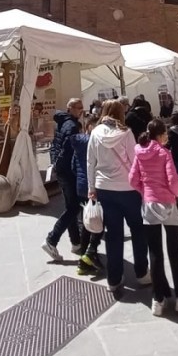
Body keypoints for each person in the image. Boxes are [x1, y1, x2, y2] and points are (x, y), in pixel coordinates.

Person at [129, 119, 178, 316]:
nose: (167, 136)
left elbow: (133, 179)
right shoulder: (164, 153)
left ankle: (158, 299)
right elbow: (173, 180)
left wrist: (145, 192)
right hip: (167, 203)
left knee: (155, 252)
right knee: (175, 249)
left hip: (149, 205)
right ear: (159, 135)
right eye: (165, 133)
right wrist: (175, 195)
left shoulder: (139, 152)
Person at [87, 99, 150, 295]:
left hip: (104, 188)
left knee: (113, 234)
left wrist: (91, 187)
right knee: (138, 230)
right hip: (128, 188)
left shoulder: (95, 133)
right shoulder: (126, 132)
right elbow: (134, 160)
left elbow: (90, 162)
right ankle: (141, 272)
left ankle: (114, 278)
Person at [43, 99, 85, 261]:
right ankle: (52, 239)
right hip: (68, 171)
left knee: (70, 206)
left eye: (82, 108)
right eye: (78, 108)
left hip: (62, 171)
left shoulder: (62, 123)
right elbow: (67, 151)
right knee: (74, 208)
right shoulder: (72, 126)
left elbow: (55, 146)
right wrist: (59, 165)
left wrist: (54, 163)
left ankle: (76, 242)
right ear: (70, 109)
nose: (81, 111)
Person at [70, 113, 103, 275]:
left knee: (86, 223)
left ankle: (83, 261)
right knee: (98, 223)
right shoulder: (97, 143)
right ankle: (90, 254)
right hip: (95, 187)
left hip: (81, 186)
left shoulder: (79, 143)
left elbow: (73, 167)